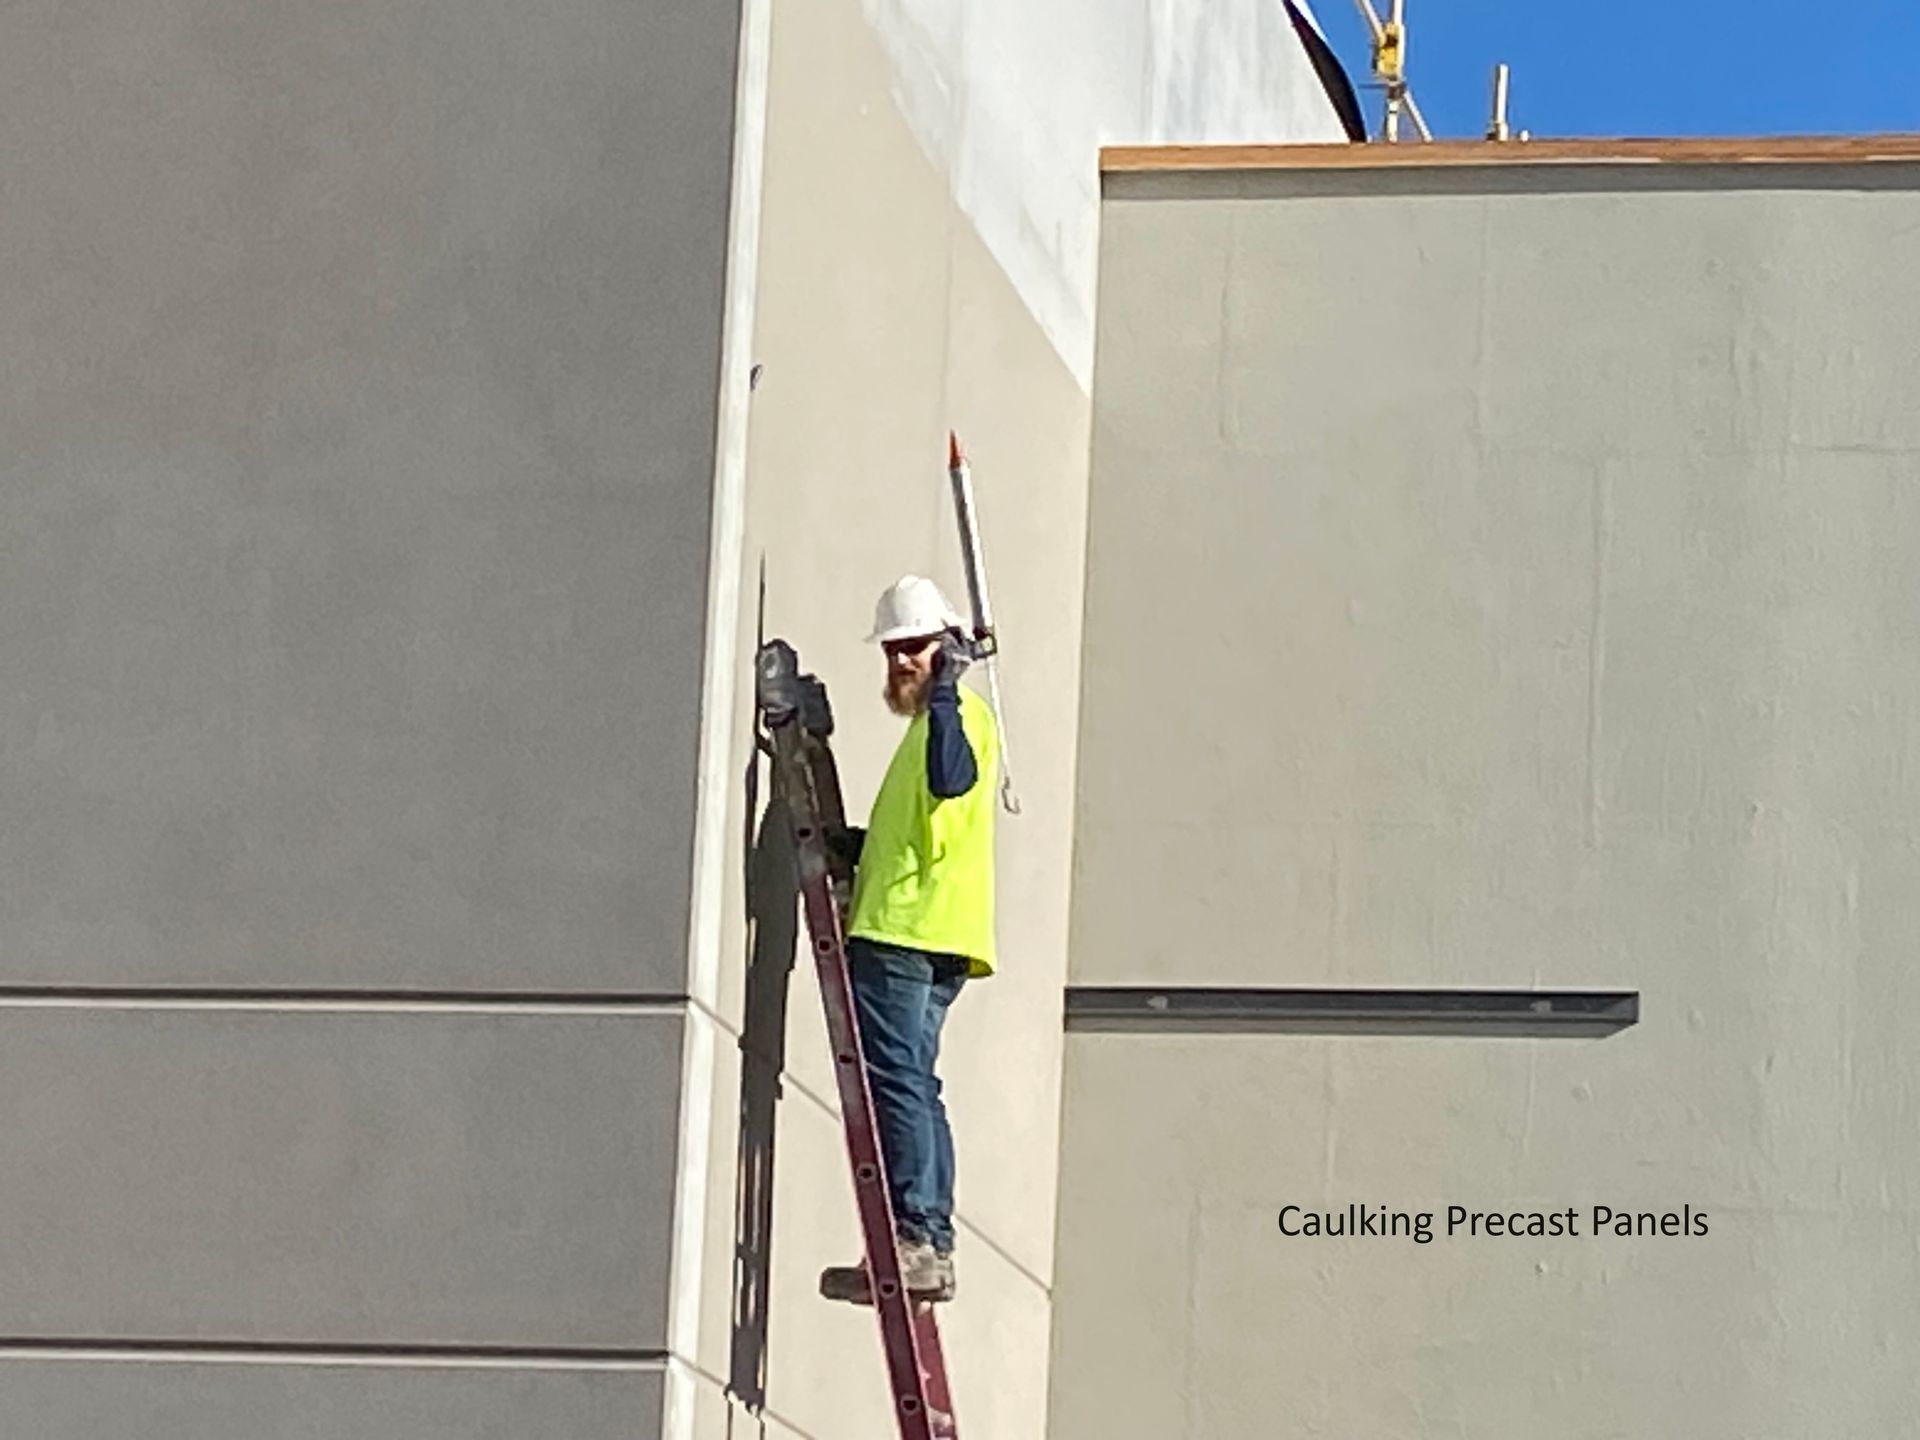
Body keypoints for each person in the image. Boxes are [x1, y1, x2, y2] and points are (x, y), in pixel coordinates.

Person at [819, 575, 1000, 1306]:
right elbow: (925, 831)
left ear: (945, 647)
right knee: (916, 1085)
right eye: (894, 650)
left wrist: (951, 687)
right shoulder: (933, 728)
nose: (902, 663)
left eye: (916, 649)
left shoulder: (952, 723)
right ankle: (930, 1240)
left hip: (905, 934)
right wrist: (858, 847)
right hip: (930, 930)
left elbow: (951, 782)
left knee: (898, 1084)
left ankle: (919, 1238)